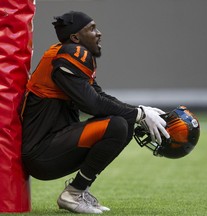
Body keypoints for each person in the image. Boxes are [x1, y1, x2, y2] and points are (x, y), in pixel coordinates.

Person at [21, 11, 170, 214]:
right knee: (117, 124)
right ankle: (73, 194)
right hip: (41, 151)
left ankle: (78, 191)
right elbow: (92, 104)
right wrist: (139, 113)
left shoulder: (69, 54)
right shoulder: (71, 53)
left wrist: (138, 111)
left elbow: (99, 95)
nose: (98, 33)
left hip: (54, 144)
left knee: (123, 120)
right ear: (75, 37)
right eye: (91, 28)